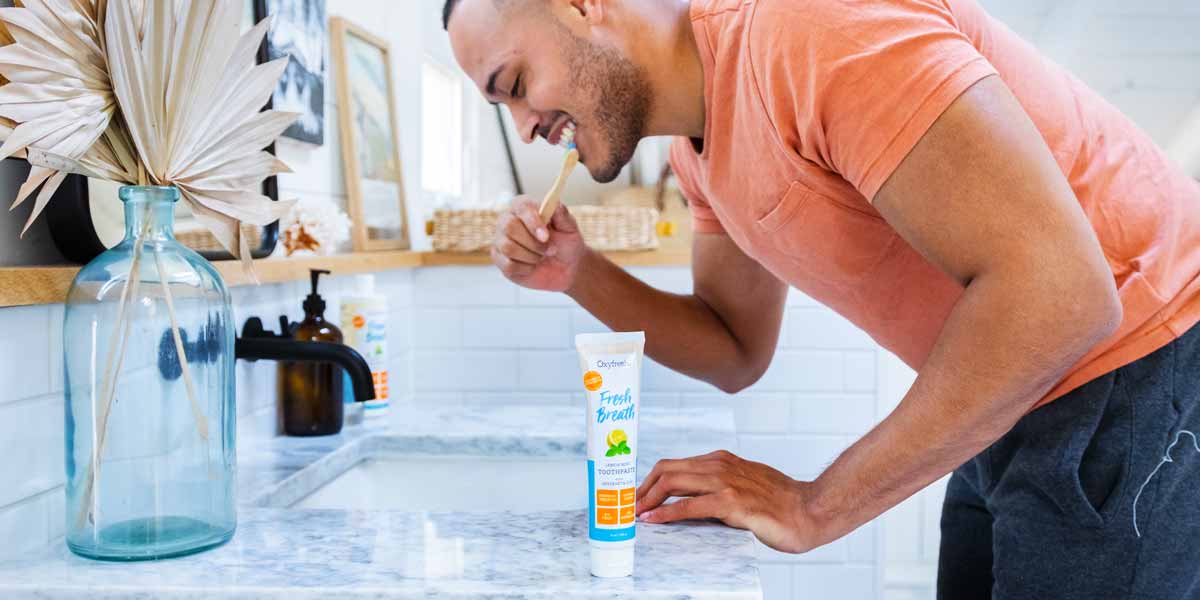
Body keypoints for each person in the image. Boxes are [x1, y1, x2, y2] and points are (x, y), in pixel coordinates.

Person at [442, 0, 1200, 597]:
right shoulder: (698, 153)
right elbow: (734, 348)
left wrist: (815, 505)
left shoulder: (812, 27)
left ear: (582, 3)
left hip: (1142, 364)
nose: (526, 127)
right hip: (1016, 396)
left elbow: (1063, 292)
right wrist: (579, 272)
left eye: (514, 86)